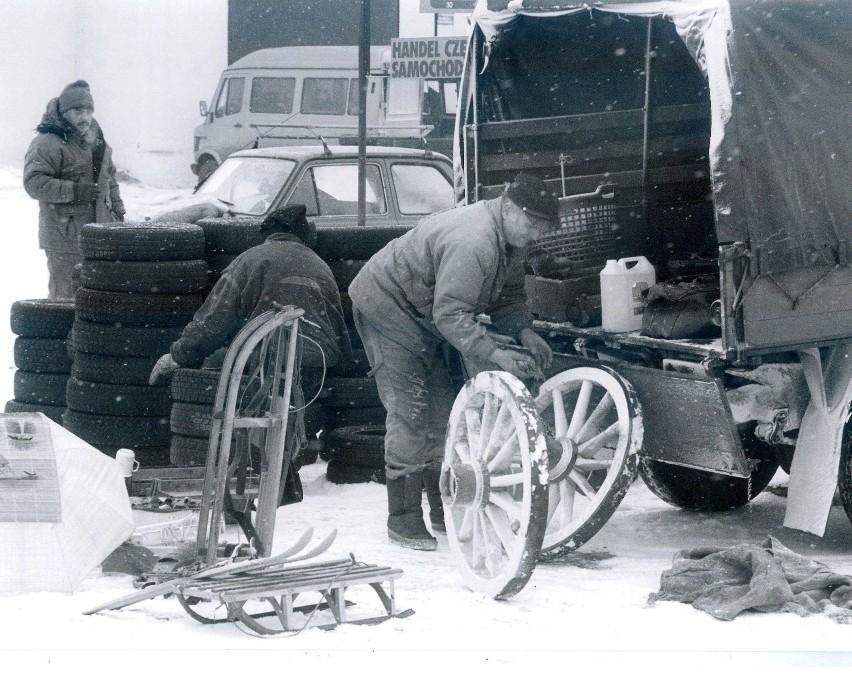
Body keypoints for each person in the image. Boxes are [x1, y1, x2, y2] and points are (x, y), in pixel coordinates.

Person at [348, 172, 560, 551]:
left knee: (443, 410)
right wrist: (496, 354)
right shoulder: (474, 240)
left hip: (424, 312)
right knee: (411, 412)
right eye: (533, 225)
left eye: (543, 229)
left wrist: (525, 331)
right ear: (509, 208)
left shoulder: (510, 238)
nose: (536, 235)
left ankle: (440, 508)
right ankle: (403, 518)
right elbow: (451, 315)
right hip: (388, 307)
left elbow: (508, 297)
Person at [149, 204, 352, 384]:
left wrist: (179, 356)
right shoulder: (320, 265)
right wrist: (344, 377)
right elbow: (338, 324)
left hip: (267, 362)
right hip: (317, 364)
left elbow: (214, 321)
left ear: (266, 235)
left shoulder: (250, 259)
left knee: (213, 362)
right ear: (304, 236)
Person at [23, 80, 126, 298]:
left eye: (89, 110)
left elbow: (110, 179)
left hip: (101, 233)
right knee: (66, 298)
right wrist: (75, 191)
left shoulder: (98, 143)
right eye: (78, 110)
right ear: (64, 112)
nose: (85, 117)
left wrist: (119, 212)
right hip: (65, 236)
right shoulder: (47, 142)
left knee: (97, 297)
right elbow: (34, 182)